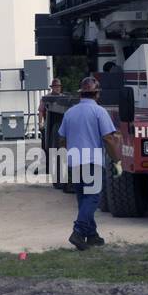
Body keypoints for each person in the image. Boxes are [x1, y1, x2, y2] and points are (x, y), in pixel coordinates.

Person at [57, 76, 121, 251]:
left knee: (84, 198)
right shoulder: (99, 112)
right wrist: (117, 160)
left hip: (75, 162)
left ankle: (91, 235)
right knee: (93, 198)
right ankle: (78, 232)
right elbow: (108, 137)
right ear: (97, 94)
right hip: (92, 161)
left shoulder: (70, 113)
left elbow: (62, 138)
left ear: (81, 94)